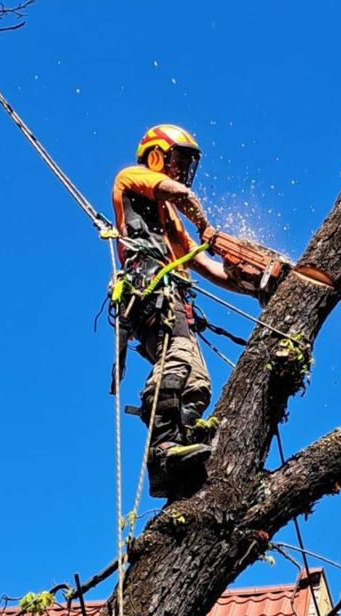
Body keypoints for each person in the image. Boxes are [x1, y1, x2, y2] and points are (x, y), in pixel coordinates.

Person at [110, 124, 245, 500]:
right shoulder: (134, 178)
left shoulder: (171, 221)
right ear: (156, 155)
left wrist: (255, 284)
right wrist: (207, 226)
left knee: (199, 380)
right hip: (151, 292)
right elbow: (179, 192)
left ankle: (182, 444)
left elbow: (210, 268)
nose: (182, 170)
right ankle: (163, 451)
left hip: (175, 302)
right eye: (178, 160)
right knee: (178, 360)